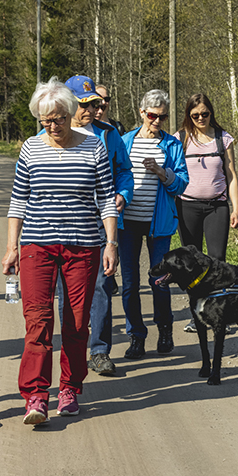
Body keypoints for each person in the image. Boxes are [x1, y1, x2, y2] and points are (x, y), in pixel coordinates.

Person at [2, 78, 119, 424]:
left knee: (77, 322)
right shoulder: (30, 148)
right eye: (45, 120)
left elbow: (106, 200)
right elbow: (18, 201)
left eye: (58, 119)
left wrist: (110, 243)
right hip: (37, 245)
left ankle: (69, 386)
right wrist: (11, 248)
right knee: (37, 322)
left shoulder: (94, 147)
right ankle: (36, 396)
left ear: (71, 114)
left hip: (83, 246)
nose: (52, 126)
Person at [62, 75, 133, 377]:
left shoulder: (108, 134)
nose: (91, 109)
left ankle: (100, 351)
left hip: (102, 221)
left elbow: (125, 171)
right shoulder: (53, 132)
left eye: (95, 103)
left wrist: (122, 195)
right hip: (65, 224)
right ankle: (71, 351)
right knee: (69, 291)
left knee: (103, 285)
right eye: (84, 104)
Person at [118, 89, 188, 359]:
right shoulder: (125, 142)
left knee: (159, 279)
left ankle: (165, 330)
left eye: (163, 116)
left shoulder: (172, 145)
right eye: (152, 115)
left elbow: (182, 183)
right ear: (141, 112)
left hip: (158, 222)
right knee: (129, 283)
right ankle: (136, 336)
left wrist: (163, 173)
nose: (157, 121)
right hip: (128, 223)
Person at [176, 93, 238, 332]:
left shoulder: (224, 139)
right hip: (187, 206)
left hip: (217, 207)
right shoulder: (180, 138)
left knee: (217, 261)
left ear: (211, 113)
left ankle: (219, 315)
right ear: (188, 116)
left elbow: (232, 176)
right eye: (195, 115)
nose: (200, 118)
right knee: (191, 263)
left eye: (205, 114)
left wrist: (236, 208)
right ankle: (197, 316)